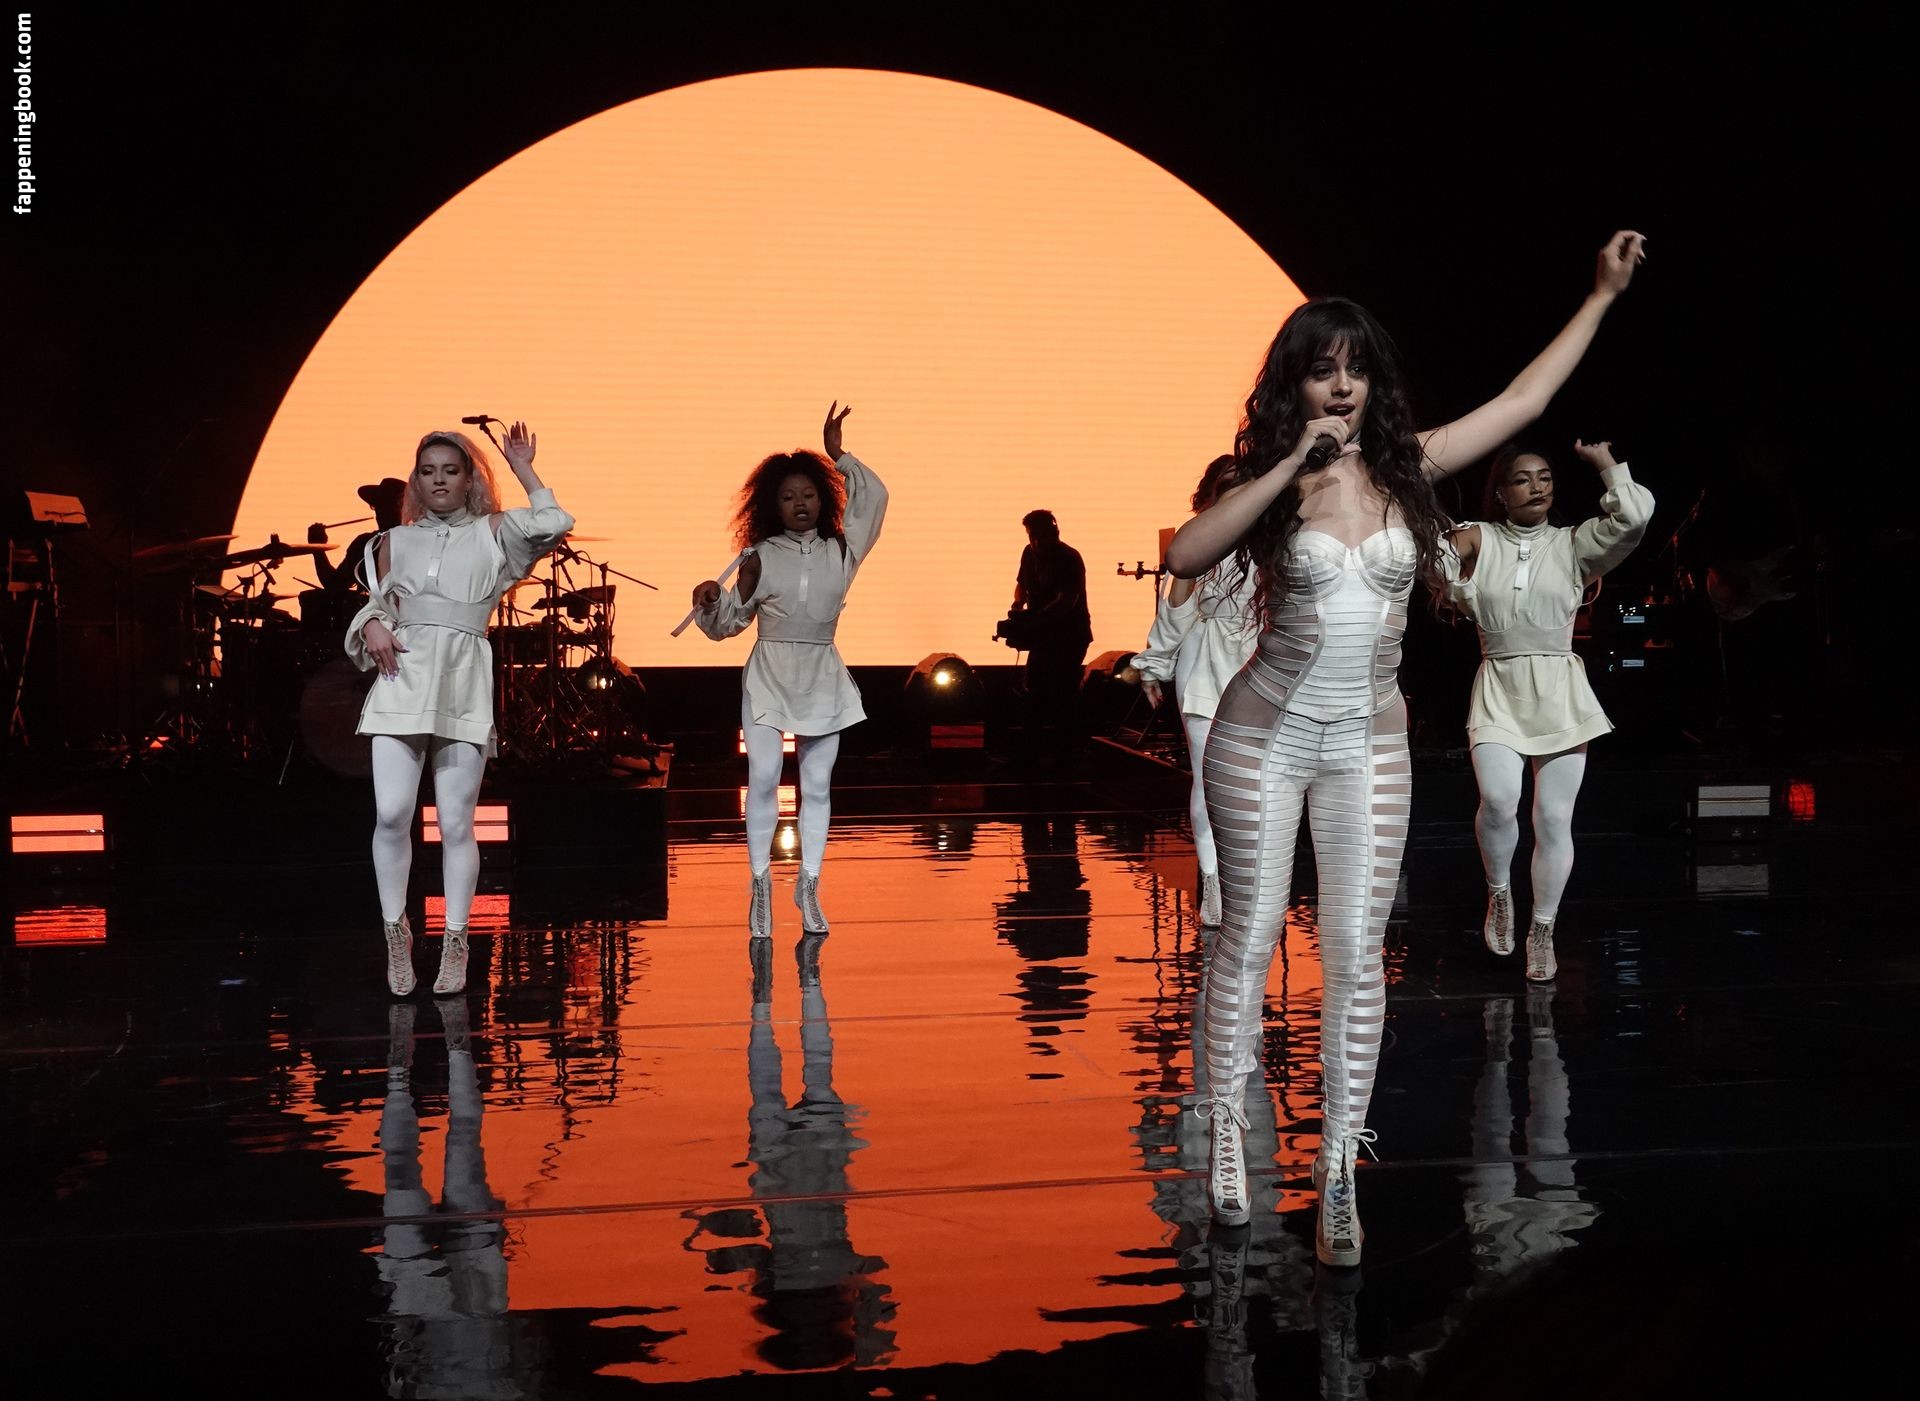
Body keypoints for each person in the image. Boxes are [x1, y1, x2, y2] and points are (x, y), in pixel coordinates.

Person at [1164, 231, 1646, 1265]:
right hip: (1260, 737)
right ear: (1293, 386)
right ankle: (1229, 1143)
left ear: (1375, 382)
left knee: (1355, 955)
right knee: (1248, 937)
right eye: (1320, 369)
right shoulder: (1273, 476)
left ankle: (1340, 1171)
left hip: (1367, 740)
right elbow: (1188, 552)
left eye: (1355, 368)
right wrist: (1287, 466)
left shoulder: (1408, 467)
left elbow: (1524, 401)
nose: (1340, 385)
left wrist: (1601, 294)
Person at [347, 422, 573, 997]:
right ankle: (395, 932)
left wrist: (523, 467)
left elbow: (554, 522)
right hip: (401, 680)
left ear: (470, 479)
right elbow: (375, 604)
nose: (439, 480)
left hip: (462, 683)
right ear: (416, 482)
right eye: (428, 472)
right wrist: (371, 624)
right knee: (392, 813)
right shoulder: (393, 540)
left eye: (451, 470)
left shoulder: (494, 532)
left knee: (454, 822)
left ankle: (455, 940)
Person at [1443, 439, 1653, 981]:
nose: (1537, 486)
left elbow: (1633, 517)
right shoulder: (1481, 536)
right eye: (1522, 478)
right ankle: (1499, 892)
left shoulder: (1573, 543)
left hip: (1558, 688)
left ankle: (1542, 928)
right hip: (1499, 685)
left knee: (1554, 817)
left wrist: (1605, 463)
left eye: (1545, 477)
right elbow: (1430, 562)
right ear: (1500, 492)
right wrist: (1445, 555)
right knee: (1498, 800)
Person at [691, 404, 888, 939]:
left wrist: (840, 456)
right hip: (770, 674)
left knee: (817, 786)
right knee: (762, 778)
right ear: (770, 504)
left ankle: (809, 884)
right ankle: (760, 884)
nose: (800, 503)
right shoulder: (758, 556)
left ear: (823, 499)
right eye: (787, 496)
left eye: (808, 494)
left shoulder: (843, 549)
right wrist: (709, 600)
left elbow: (876, 498)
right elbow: (728, 625)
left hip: (822, 672)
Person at [1131, 455, 1261, 926]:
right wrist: (1155, 663)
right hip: (1206, 661)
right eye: (1228, 485)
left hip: (1260, 659)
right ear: (1210, 495)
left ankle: (1249, 881)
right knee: (1209, 778)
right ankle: (1212, 880)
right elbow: (1177, 609)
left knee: (1261, 781)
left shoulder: (1272, 538)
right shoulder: (1200, 539)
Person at [1010, 509, 1093, 760]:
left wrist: (1033, 620)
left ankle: (1064, 754)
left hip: (1070, 636)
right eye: (1031, 536)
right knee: (1034, 691)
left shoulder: (1069, 558)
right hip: (1043, 635)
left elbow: (1066, 602)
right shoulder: (1028, 554)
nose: (1035, 542)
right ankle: (1030, 754)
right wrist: (1018, 604)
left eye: (1040, 536)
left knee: (1062, 694)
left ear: (1054, 532)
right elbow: (1021, 584)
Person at [314, 477, 406, 594]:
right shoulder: (363, 544)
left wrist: (317, 549)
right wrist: (318, 548)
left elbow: (334, 584)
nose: (379, 511)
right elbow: (335, 584)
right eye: (377, 506)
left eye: (386, 506)